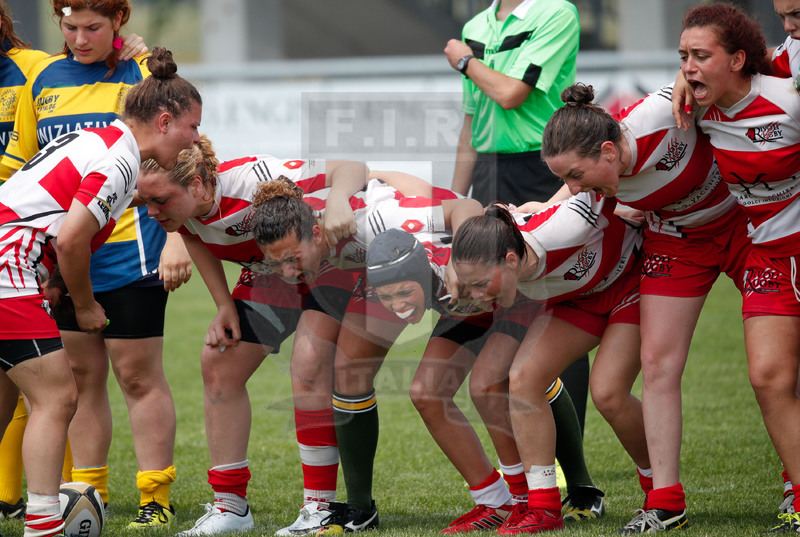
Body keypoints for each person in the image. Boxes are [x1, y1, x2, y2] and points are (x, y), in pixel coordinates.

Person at [0, 0, 191, 528]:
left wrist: (177, 236)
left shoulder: (145, 74)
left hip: (118, 254)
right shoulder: (49, 83)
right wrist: (70, 290)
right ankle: (65, 506)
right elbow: (59, 216)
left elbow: (186, 160)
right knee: (67, 387)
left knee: (131, 378)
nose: (81, 38)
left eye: (94, 27)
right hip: (41, 260)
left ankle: (154, 498)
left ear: (119, 25)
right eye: (70, 26)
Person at [134, 139, 380, 537]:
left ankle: (319, 508)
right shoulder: (179, 214)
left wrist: (337, 198)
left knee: (309, 360)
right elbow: (194, 234)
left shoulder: (252, 179)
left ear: (198, 185)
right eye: (145, 202)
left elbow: (353, 165)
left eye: (159, 201)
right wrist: (223, 304)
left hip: (328, 261)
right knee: (219, 361)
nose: (150, 212)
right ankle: (230, 507)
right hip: (273, 275)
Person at [537, 80, 751, 533]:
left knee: (774, 369)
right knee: (655, 366)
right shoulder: (587, 184)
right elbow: (555, 208)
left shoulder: (660, 114)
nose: (572, 188)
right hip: (676, 243)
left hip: (744, 226)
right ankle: (666, 501)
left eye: (576, 175)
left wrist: (685, 78)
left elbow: (734, 74)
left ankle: (794, 490)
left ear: (609, 152)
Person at [247, 175, 484, 535]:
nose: (288, 272)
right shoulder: (296, 222)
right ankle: (360, 509)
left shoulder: (371, 220)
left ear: (317, 231)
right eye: (276, 263)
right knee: (349, 370)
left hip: (459, 269)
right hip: (394, 276)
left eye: (292, 259)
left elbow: (467, 208)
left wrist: (464, 260)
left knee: (510, 379)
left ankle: (567, 488)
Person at [365, 227, 604, 533]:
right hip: (466, 306)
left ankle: (575, 491)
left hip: (511, 298)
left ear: (422, 274)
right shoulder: (397, 268)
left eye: (403, 293)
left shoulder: (454, 271)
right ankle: (494, 501)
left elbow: (471, 209)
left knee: (491, 384)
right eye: (387, 297)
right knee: (426, 392)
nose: (397, 305)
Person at [450, 195, 646, 535]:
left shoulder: (565, 225)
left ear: (511, 261)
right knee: (523, 379)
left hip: (633, 284)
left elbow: (602, 184)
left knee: (609, 393)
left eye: (482, 285)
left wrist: (636, 207)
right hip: (580, 302)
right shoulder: (503, 248)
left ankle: (662, 494)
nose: (479, 296)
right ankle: (543, 507)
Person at [677, 3, 800, 532]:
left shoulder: (788, 98)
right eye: (682, 56)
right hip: (768, 257)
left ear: (738, 58)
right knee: (768, 377)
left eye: (700, 56)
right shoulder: (692, 109)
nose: (688, 67)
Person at [444, 0, 591, 432]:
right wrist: (455, 196)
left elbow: (511, 94)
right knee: (503, 304)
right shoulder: (477, 24)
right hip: (490, 170)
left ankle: (569, 449)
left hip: (543, 168)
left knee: (557, 305)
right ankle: (529, 439)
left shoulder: (556, 12)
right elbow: (472, 124)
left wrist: (466, 61)